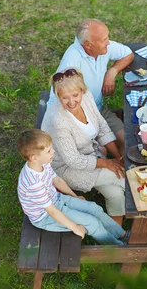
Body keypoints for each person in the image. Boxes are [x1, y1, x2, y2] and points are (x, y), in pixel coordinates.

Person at [42, 69, 126, 224]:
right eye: (64, 97)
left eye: (75, 95)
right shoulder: (58, 121)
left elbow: (102, 127)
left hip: (90, 154)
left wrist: (117, 157)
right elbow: (73, 160)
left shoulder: (87, 98)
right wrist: (107, 162)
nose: (71, 101)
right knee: (126, 178)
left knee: (116, 194)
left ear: (82, 90)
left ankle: (116, 235)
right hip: (66, 168)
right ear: (58, 96)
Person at [17, 129, 127, 245]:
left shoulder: (43, 162)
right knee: (91, 223)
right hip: (45, 216)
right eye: (49, 151)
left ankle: (122, 234)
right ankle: (117, 247)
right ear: (34, 157)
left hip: (56, 199)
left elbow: (57, 181)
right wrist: (75, 227)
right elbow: (52, 212)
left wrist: (74, 196)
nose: (53, 152)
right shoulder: (34, 183)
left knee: (94, 208)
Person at [48, 18, 134, 152]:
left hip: (98, 110)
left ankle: (122, 161)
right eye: (104, 40)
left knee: (128, 140)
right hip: (76, 118)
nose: (108, 42)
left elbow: (128, 54)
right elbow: (62, 104)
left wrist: (112, 72)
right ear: (88, 45)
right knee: (102, 151)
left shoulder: (101, 48)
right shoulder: (72, 63)